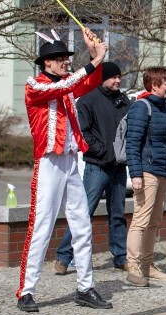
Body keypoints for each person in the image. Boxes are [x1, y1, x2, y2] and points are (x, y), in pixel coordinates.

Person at [16, 28, 112, 312]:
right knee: (41, 226)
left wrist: (96, 55)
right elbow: (68, 85)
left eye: (66, 58)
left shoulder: (66, 85)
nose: (65, 62)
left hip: (70, 161)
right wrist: (95, 60)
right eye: (60, 58)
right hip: (48, 162)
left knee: (82, 224)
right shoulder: (35, 85)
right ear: (46, 62)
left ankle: (85, 287)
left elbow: (90, 81)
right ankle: (26, 291)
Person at [54, 61, 129, 275]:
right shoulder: (87, 101)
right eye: (114, 77)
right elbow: (83, 133)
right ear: (102, 78)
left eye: (119, 77)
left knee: (118, 214)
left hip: (117, 168)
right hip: (96, 166)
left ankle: (120, 256)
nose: (118, 80)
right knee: (83, 212)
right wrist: (101, 151)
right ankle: (63, 256)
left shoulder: (123, 101)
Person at [125, 67, 166, 288]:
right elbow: (132, 143)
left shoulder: (164, 108)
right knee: (141, 219)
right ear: (153, 85)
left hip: (163, 171)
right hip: (147, 171)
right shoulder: (141, 107)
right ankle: (134, 266)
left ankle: (148, 265)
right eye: (165, 82)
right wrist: (136, 173)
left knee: (154, 221)